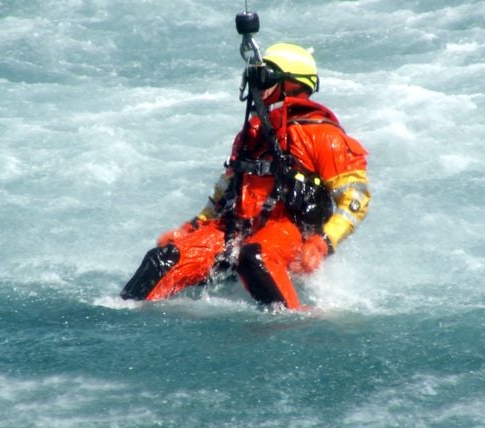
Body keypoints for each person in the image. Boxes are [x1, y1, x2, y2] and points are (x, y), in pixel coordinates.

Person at [120, 43, 370, 309]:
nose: (256, 87)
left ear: (290, 84)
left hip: (287, 231)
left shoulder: (324, 137)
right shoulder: (251, 134)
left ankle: (297, 322)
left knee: (255, 257)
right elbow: (227, 188)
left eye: (265, 79)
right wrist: (193, 225)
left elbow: (356, 198)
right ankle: (122, 319)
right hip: (234, 227)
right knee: (161, 259)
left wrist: (323, 243)